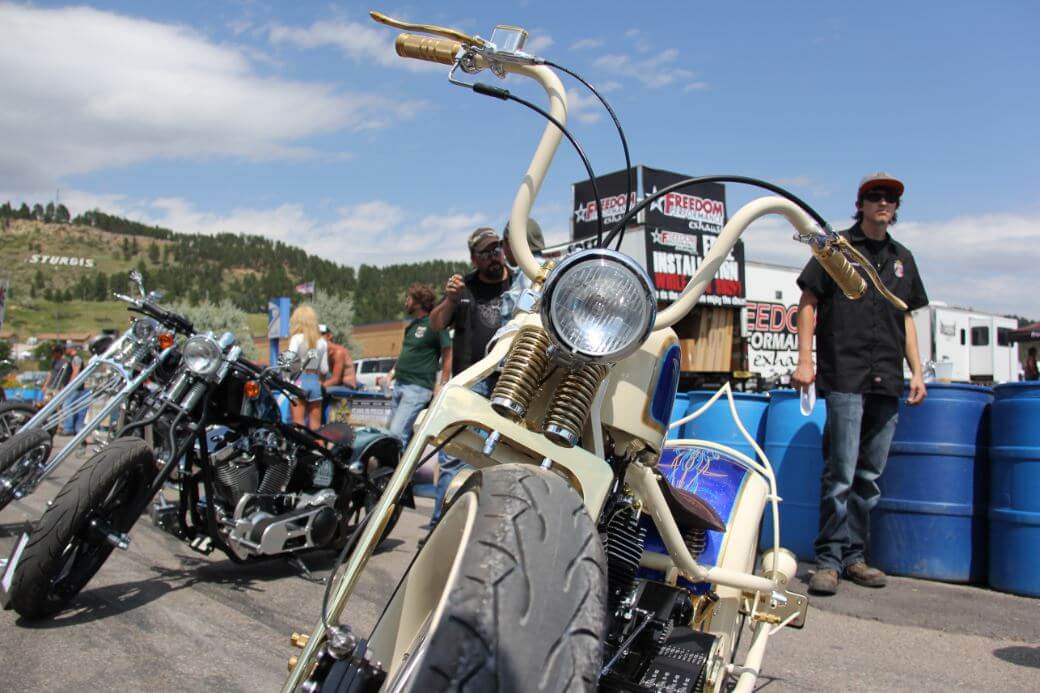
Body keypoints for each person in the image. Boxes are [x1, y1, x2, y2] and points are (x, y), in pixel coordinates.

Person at [792, 172, 929, 596]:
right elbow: (808, 302)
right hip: (846, 374)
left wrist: (918, 371)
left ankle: (854, 558)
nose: (883, 203)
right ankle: (828, 561)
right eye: (875, 197)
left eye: (889, 198)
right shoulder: (838, 251)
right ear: (862, 204)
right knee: (841, 474)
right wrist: (804, 360)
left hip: (887, 378)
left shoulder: (903, 257)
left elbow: (905, 315)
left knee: (868, 476)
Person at [426, 227, 513, 529]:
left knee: (504, 458)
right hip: (471, 382)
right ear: (474, 258)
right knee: (455, 454)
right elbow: (436, 323)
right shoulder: (463, 286)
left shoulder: (519, 282)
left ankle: (487, 528)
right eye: (487, 251)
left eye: (497, 248)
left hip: (511, 383)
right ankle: (441, 526)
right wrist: (450, 300)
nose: (495, 256)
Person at [387, 284, 451, 448]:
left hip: (417, 388)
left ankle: (396, 473)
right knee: (391, 435)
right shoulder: (411, 326)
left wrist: (443, 383)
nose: (405, 302)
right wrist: (393, 371)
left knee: (396, 434)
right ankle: (396, 472)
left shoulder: (436, 323)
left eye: (408, 298)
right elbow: (407, 351)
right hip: (399, 384)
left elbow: (447, 351)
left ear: (418, 302)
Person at [287, 305, 328, 431]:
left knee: (298, 425)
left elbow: (288, 360)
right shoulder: (322, 342)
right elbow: (324, 369)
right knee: (316, 428)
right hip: (314, 381)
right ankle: (320, 449)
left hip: (299, 381)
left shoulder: (297, 339)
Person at [500, 218, 546, 323]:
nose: (502, 248)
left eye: (503, 242)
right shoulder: (547, 268)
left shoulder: (527, 275)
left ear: (512, 242)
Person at [321, 324, 357, 390]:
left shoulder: (338, 352)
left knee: (319, 392)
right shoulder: (323, 353)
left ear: (329, 336)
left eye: (321, 334)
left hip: (346, 386)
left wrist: (320, 387)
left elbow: (336, 379)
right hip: (337, 385)